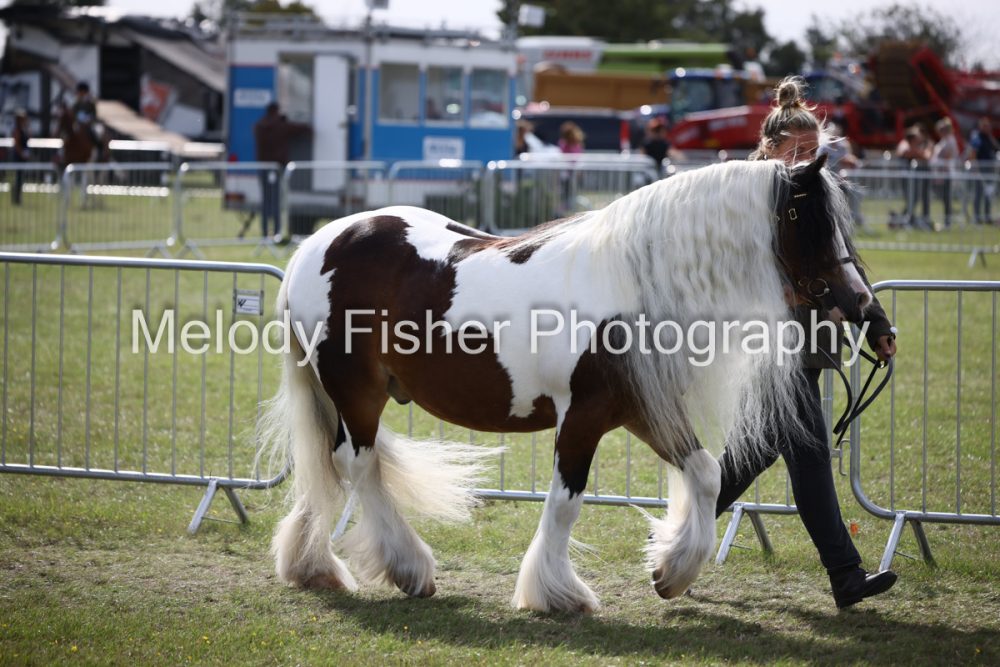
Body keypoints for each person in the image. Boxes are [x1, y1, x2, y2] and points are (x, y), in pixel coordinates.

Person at [716, 76, 899, 609]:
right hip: (762, 343)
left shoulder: (818, 192)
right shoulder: (740, 195)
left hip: (811, 335)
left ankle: (680, 536)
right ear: (768, 147)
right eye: (796, 151)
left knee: (751, 455)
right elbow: (725, 269)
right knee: (809, 451)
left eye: (813, 151)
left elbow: (842, 263)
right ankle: (846, 574)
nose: (807, 161)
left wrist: (874, 321)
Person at [253, 102, 311, 239]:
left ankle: (265, 233)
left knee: (266, 201)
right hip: (276, 168)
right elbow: (302, 129)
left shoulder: (260, 126)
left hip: (264, 168)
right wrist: (284, 121)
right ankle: (276, 233)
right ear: (276, 111)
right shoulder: (281, 126)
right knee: (276, 201)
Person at [894, 125, 932, 229]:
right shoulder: (904, 145)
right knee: (911, 199)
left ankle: (902, 220)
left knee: (914, 199)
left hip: (912, 179)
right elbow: (907, 153)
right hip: (906, 178)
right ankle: (902, 220)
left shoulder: (917, 146)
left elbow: (926, 156)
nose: (920, 139)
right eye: (918, 138)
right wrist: (920, 153)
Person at [968, 117, 999, 225]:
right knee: (978, 194)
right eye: (985, 126)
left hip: (990, 171)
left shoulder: (989, 138)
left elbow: (996, 148)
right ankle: (977, 217)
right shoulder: (977, 138)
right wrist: (975, 169)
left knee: (988, 194)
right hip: (980, 171)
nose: (988, 128)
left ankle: (987, 216)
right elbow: (973, 154)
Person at [931, 118, 960, 229]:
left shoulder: (950, 141)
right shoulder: (945, 140)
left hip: (946, 173)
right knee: (944, 198)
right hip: (941, 173)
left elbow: (947, 157)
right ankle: (949, 217)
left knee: (946, 198)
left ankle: (949, 221)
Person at [11, 109, 31, 206]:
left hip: (23, 156)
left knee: (20, 178)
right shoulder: (17, 130)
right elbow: (16, 144)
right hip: (18, 157)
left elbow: (29, 137)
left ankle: (18, 197)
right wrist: (22, 153)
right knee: (18, 178)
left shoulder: (23, 129)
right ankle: (16, 198)